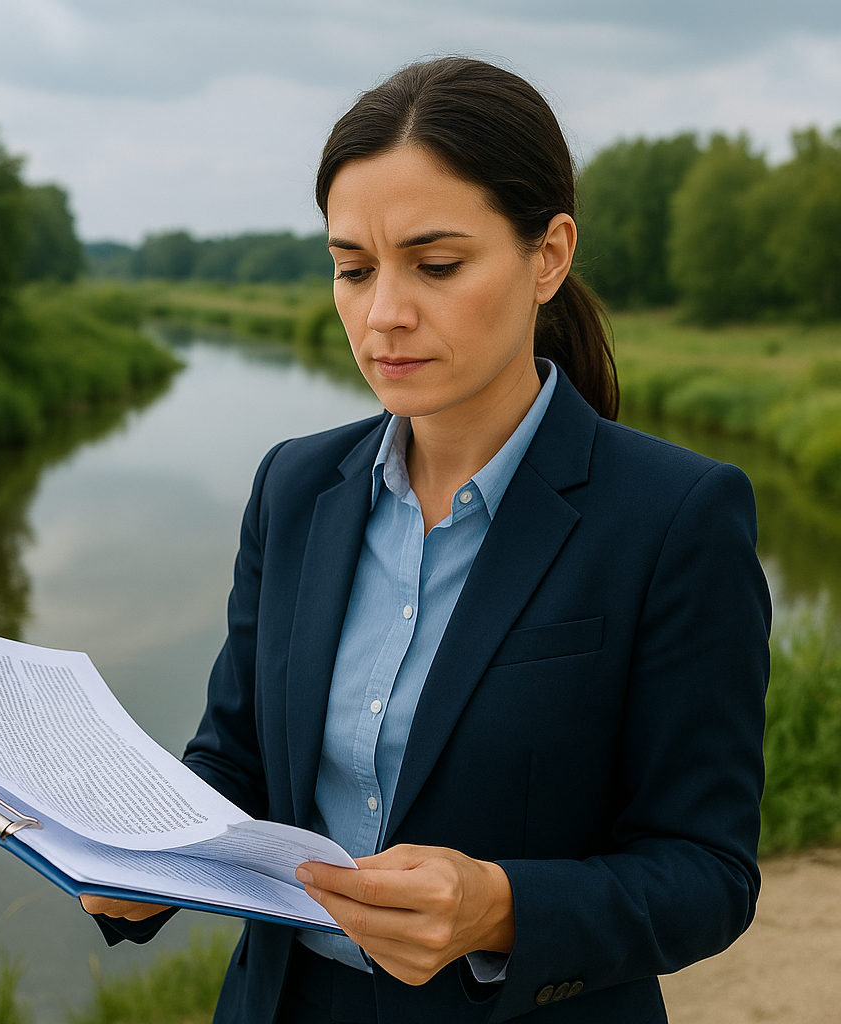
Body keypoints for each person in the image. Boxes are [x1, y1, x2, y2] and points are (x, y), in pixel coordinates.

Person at [81, 57, 771, 1023]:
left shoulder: (675, 516)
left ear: (549, 254)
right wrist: (141, 857)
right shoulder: (294, 485)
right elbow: (235, 760)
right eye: (353, 268)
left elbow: (707, 873)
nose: (382, 315)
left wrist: (499, 909)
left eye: (436, 266)